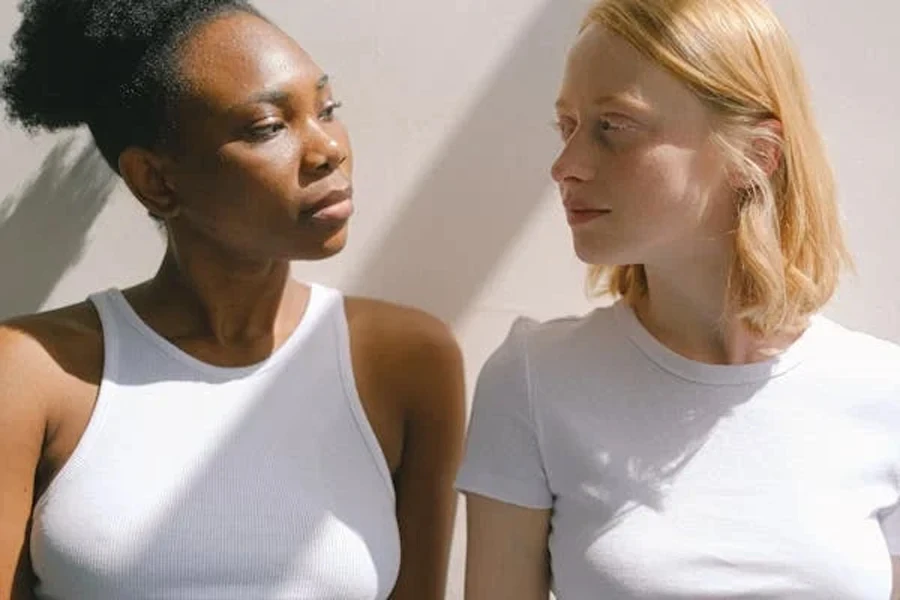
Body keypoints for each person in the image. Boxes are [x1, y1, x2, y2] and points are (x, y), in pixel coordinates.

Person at [0, 1, 465, 599]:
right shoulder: (32, 372)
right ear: (157, 181)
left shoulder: (408, 362)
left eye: (328, 109)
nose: (328, 149)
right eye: (268, 127)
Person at [456, 0, 900, 598]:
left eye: (613, 126)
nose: (565, 166)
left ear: (757, 156)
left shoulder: (882, 392)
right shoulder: (534, 381)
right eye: (568, 127)